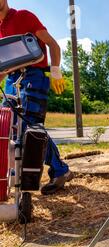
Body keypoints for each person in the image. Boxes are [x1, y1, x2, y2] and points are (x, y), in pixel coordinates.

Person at [0, 0, 73, 195]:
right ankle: (14, 171)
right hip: (12, 79)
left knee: (30, 126)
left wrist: (55, 71)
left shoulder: (23, 16)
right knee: (6, 125)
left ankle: (60, 171)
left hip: (34, 75)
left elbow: (53, 45)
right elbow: (4, 68)